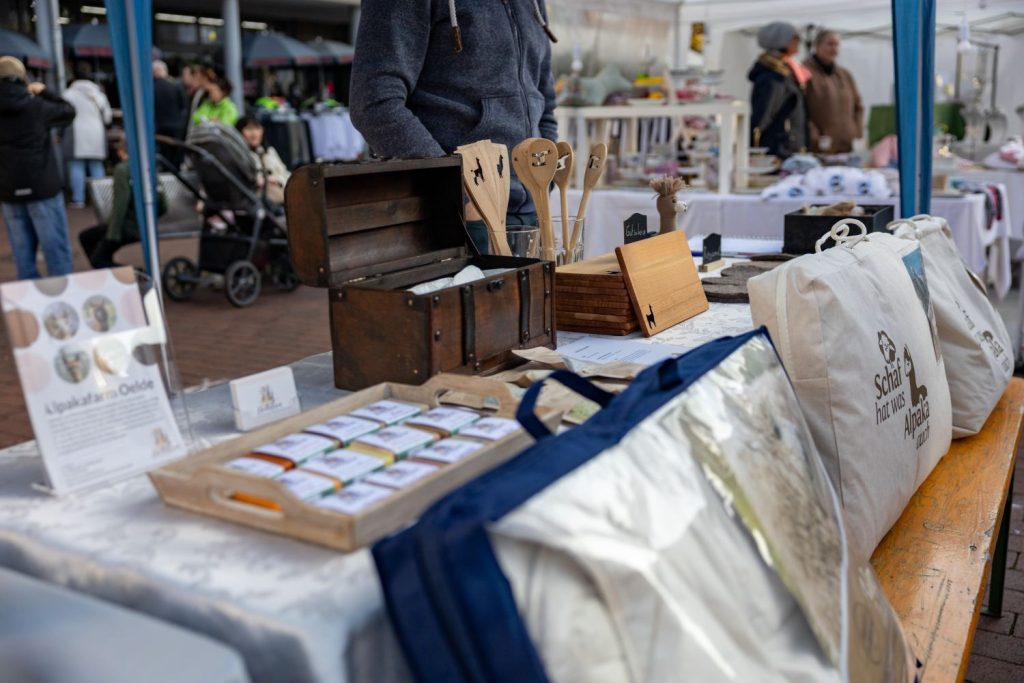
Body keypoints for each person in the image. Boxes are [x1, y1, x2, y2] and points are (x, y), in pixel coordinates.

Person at [349, 0, 558, 254]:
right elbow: (374, 103)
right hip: (453, 220)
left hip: (530, 215)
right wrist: (458, 194)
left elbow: (544, 101)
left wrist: (543, 185)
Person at [0, 56, 76, 279]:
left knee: (22, 256)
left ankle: (30, 296)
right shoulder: (37, 106)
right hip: (42, 187)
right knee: (56, 252)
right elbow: (68, 111)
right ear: (22, 78)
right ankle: (62, 295)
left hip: (8, 189)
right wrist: (45, 92)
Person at [78, 139, 166, 269]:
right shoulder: (148, 166)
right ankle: (110, 267)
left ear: (121, 152)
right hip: (144, 225)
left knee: (97, 257)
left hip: (125, 227)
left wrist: (113, 233)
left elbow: (121, 203)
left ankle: (133, 274)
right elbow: (164, 204)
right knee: (89, 239)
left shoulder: (122, 170)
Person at [748, 21, 807, 159]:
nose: (798, 42)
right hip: (779, 149)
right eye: (795, 38)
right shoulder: (773, 78)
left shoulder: (783, 71)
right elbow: (763, 116)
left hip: (786, 145)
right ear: (783, 41)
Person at [803, 30, 864, 154]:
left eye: (836, 45)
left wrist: (857, 132)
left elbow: (858, 107)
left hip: (847, 147)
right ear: (817, 46)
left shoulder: (845, 74)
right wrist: (814, 136)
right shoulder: (805, 72)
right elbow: (800, 110)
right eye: (830, 44)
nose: (834, 48)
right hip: (819, 148)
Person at [63, 62, 112, 208]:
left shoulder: (68, 94)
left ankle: (78, 199)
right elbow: (107, 117)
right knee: (96, 166)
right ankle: (101, 199)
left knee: (76, 166)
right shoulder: (98, 94)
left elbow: (62, 116)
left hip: (75, 134)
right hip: (96, 133)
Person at [236, 116, 290, 208]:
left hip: (282, 191)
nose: (254, 134)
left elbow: (285, 173)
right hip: (259, 199)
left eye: (257, 128)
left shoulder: (269, 151)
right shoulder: (240, 155)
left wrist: (278, 180)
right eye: (249, 129)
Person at [153, 60, 186, 168]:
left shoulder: (151, 89)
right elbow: (183, 106)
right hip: (176, 126)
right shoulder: (176, 86)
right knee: (175, 156)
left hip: (160, 127)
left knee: (164, 155)